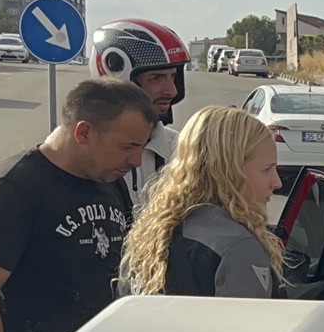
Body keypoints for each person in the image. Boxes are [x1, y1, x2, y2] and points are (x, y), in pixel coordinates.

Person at [0, 79, 154, 332]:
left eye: (141, 148)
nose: (136, 161)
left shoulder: (108, 180)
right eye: (128, 147)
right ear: (84, 133)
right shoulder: (15, 187)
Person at [117, 106, 284, 298]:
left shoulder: (148, 233)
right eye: (267, 169)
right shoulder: (238, 247)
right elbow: (246, 317)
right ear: (229, 171)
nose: (277, 182)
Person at [90, 19, 190, 207]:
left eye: (173, 76)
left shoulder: (181, 149)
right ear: (119, 82)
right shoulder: (82, 152)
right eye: (156, 78)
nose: (172, 91)